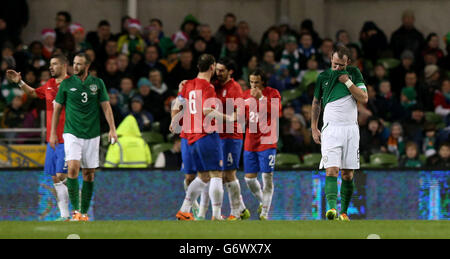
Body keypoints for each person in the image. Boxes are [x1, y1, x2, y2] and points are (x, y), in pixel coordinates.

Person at [49, 52, 118, 222]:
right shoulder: (66, 84)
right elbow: (57, 109)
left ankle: (84, 213)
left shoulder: (97, 83)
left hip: (92, 134)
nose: (75, 67)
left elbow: (106, 107)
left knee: (88, 174)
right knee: (72, 168)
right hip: (72, 133)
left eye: (79, 64)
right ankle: (76, 212)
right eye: (74, 63)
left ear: (87, 66)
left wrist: (112, 129)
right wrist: (52, 133)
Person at [171, 54, 236, 221]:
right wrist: (229, 118)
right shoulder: (208, 87)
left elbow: (177, 104)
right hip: (205, 134)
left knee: (202, 176)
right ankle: (215, 215)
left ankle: (185, 210)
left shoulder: (187, 84)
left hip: (189, 136)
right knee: (216, 173)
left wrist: (174, 120)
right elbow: (208, 111)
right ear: (212, 67)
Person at [6, 54, 70, 221]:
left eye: (54, 64)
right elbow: (34, 93)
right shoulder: (48, 85)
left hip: (67, 137)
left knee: (62, 175)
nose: (51, 67)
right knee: (55, 178)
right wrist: (20, 82)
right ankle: (65, 216)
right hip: (52, 140)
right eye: (50, 64)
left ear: (64, 66)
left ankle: (78, 205)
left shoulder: (73, 84)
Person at [311, 46, 368, 221]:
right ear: (331, 60)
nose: (337, 68)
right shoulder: (323, 77)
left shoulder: (354, 73)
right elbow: (316, 103)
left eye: (341, 66)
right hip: (331, 128)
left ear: (348, 63)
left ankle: (343, 212)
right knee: (331, 170)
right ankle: (331, 210)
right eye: (335, 64)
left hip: (350, 129)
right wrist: (314, 127)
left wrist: (347, 82)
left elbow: (364, 98)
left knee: (347, 174)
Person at [213, 58, 250, 220]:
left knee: (229, 174)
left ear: (230, 72)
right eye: (217, 70)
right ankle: (241, 210)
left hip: (231, 136)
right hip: (217, 136)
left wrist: (226, 118)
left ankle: (235, 212)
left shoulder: (234, 88)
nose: (218, 73)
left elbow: (239, 113)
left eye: (222, 70)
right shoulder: (216, 86)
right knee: (219, 176)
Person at [243, 69, 282, 220]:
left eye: (256, 82)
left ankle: (265, 213)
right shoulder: (245, 95)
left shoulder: (273, 93)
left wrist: (260, 99)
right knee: (249, 179)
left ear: (263, 82)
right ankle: (262, 201)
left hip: (267, 140)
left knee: (267, 177)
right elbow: (241, 115)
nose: (253, 85)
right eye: (251, 82)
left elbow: (277, 112)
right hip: (250, 141)